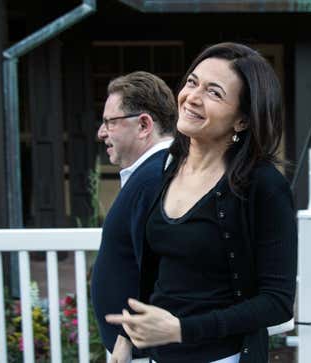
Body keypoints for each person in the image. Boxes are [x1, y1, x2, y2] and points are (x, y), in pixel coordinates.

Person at [106, 43, 297, 363]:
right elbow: (156, 270)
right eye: (192, 82)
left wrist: (182, 329)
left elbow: (276, 302)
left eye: (214, 92)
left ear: (243, 121)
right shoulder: (165, 169)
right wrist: (127, 337)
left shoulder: (264, 186)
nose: (192, 97)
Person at [90, 71, 176, 362]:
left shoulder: (153, 178)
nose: (101, 133)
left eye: (109, 122)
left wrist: (128, 337)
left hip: (145, 352)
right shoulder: (151, 173)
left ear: (143, 125)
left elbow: (163, 270)